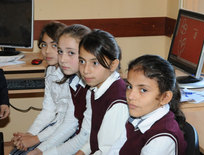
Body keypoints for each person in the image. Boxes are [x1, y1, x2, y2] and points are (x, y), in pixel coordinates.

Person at [27, 24, 91, 155]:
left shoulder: (83, 83)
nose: (62, 59)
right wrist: (31, 134)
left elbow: (73, 127)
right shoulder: (68, 78)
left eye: (71, 53)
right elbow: (50, 111)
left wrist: (40, 147)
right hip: (70, 133)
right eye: (60, 51)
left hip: (79, 138)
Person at [10, 21, 72, 155]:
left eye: (54, 45)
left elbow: (66, 122)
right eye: (44, 45)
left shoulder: (72, 76)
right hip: (56, 125)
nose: (47, 51)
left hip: (69, 131)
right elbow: (48, 110)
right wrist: (29, 134)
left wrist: (35, 139)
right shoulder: (50, 71)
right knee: (16, 152)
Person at [108, 54, 187, 155]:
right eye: (129, 86)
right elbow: (115, 150)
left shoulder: (161, 140)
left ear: (165, 97)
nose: (131, 96)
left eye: (143, 90)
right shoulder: (138, 115)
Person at [76, 29, 129, 155]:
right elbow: (96, 137)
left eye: (95, 63)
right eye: (82, 61)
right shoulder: (97, 88)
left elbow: (107, 151)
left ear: (113, 64)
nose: (85, 70)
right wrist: (81, 152)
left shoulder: (117, 103)